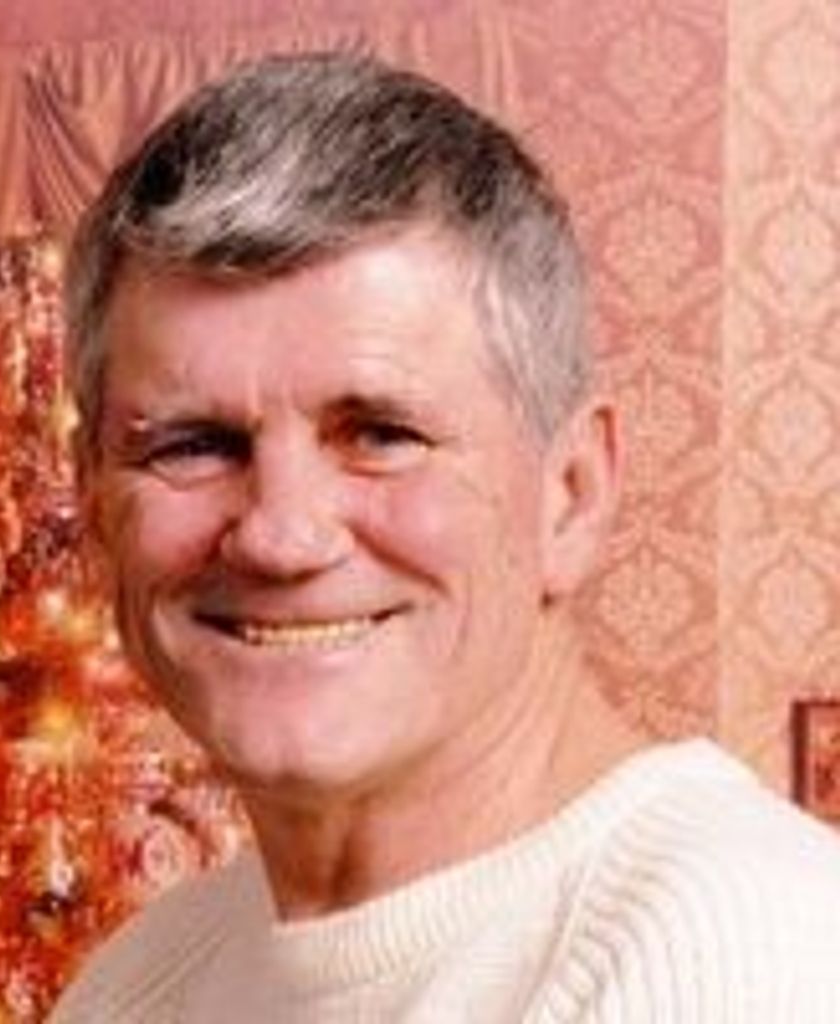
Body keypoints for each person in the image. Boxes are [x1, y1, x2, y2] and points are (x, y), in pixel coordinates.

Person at [48, 51, 840, 1023]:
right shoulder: (134, 987)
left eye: (381, 435)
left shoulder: (745, 956)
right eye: (192, 445)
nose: (280, 537)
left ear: (571, 494)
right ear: (93, 504)